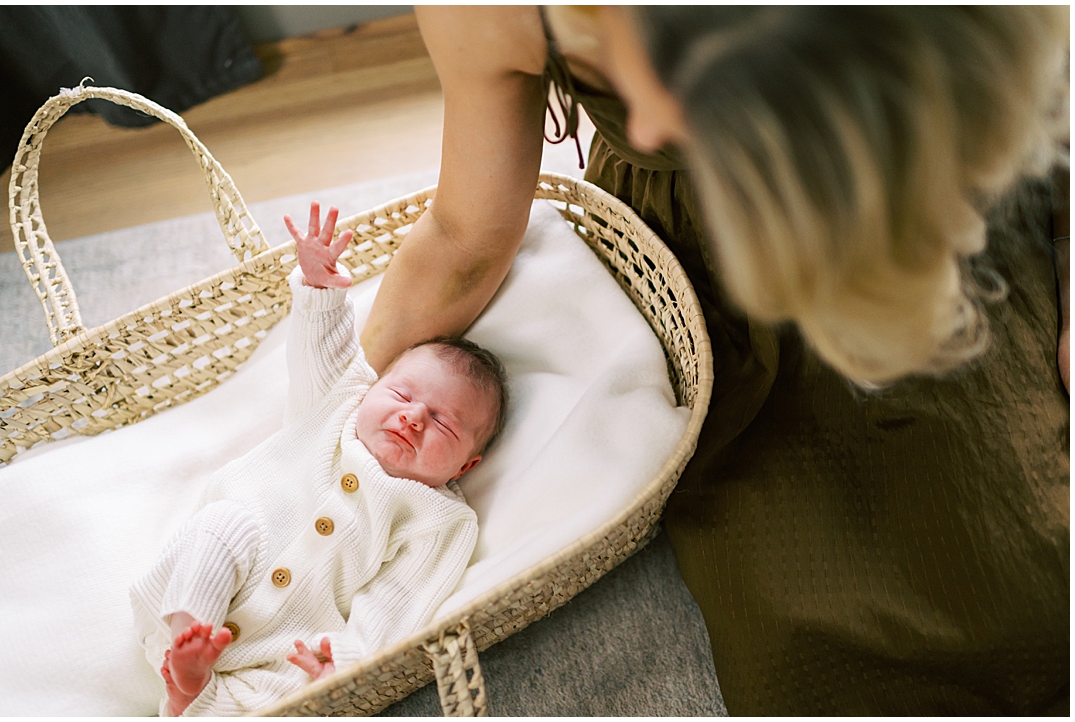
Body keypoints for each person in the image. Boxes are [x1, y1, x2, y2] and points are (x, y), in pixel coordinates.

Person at [357, 6, 1070, 715]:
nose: (644, 131)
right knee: (799, 637)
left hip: (913, 180)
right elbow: (463, 235)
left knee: (1030, 578)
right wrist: (353, 393)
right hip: (710, 255)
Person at [129, 203, 507, 716]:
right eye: (400, 394)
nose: (413, 417)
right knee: (222, 527)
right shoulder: (340, 405)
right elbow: (323, 348)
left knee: (297, 687)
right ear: (375, 387)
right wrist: (321, 286)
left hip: (292, 639)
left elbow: (399, 602)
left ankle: (192, 697)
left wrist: (346, 662)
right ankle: (186, 641)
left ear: (465, 465)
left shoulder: (440, 520)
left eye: (443, 423)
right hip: (229, 568)